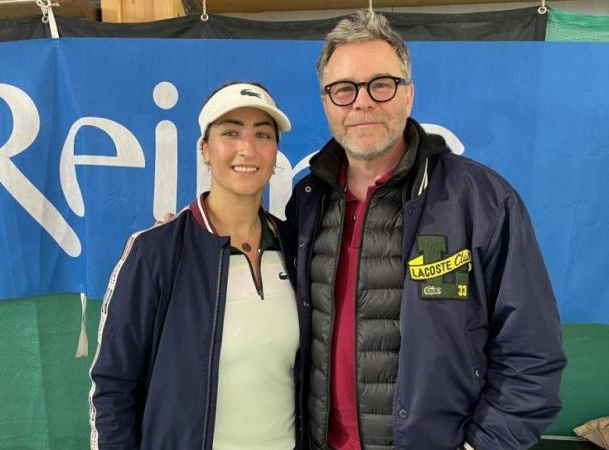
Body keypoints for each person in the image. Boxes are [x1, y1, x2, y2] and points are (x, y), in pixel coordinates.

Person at [285, 11, 567, 450]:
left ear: (409, 94)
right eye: (344, 89)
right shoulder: (307, 199)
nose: (362, 102)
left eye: (381, 84)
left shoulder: (480, 199)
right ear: (326, 102)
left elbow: (532, 354)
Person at [89, 82, 309, 449]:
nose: (247, 148)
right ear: (204, 149)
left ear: (275, 153)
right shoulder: (155, 252)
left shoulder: (295, 246)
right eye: (230, 132)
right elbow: (113, 386)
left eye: (263, 134)